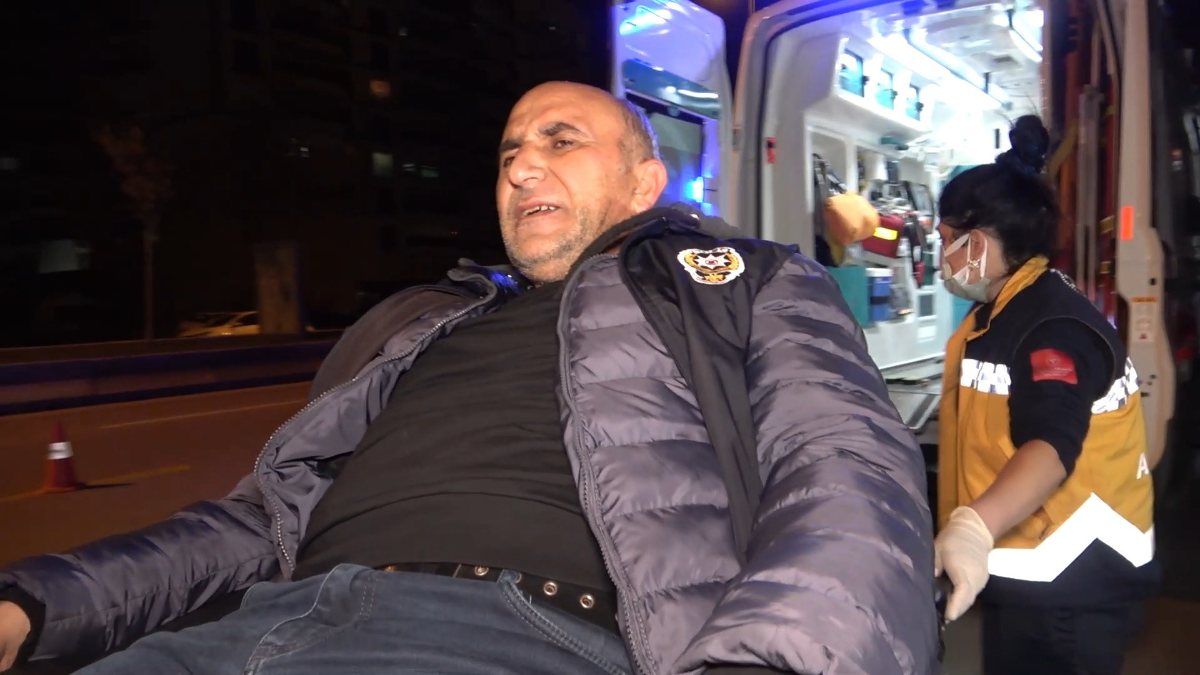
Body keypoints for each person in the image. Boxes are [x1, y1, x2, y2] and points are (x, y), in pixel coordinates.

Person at [0, 82, 938, 674]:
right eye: (509, 153)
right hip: (254, 626)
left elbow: (843, 465)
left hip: (516, 626)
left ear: (644, 183)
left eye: (560, 141)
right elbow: (260, 519)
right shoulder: (418, 321)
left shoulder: (740, 281)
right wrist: (34, 604)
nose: (522, 164)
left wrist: (769, 659)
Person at [932, 116, 1159, 674]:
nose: (941, 256)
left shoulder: (1051, 326)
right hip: (1031, 570)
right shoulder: (1005, 311)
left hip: (1070, 581)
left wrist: (975, 526)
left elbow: (1052, 445)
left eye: (943, 240)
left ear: (975, 243)